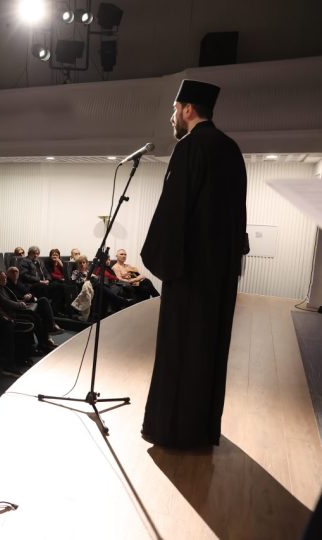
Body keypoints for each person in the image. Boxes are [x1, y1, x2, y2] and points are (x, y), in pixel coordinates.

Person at [140, 79, 248, 449]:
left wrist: (162, 261)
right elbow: (237, 216)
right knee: (210, 351)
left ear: (188, 109)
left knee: (181, 351)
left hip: (188, 274)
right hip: (220, 274)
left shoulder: (189, 148)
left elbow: (174, 213)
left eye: (174, 109)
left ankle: (174, 432)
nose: (172, 117)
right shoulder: (231, 149)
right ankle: (202, 429)